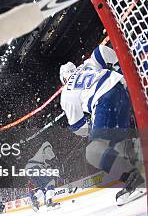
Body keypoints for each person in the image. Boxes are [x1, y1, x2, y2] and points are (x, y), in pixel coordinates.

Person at [59, 53, 144, 205]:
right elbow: (101, 51)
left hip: (104, 101)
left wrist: (91, 127)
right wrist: (119, 67)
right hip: (122, 88)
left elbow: (78, 127)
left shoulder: (67, 91)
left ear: (64, 79)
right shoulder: (86, 65)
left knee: (94, 151)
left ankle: (135, 180)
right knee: (118, 142)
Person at [25, 141, 60, 211]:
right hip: (34, 167)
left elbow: (49, 170)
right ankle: (49, 202)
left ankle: (34, 200)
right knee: (51, 182)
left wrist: (56, 173)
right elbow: (47, 148)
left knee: (44, 187)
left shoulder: (44, 161)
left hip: (30, 168)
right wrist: (54, 158)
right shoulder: (46, 144)